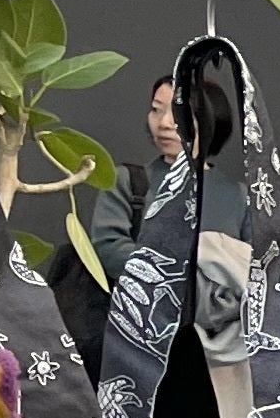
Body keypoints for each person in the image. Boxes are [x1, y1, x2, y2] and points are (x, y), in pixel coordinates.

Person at [56, 73, 184, 369]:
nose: (164, 123)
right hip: (132, 331)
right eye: (156, 110)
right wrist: (184, 271)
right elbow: (110, 249)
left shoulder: (232, 195)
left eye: (178, 113)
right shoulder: (130, 181)